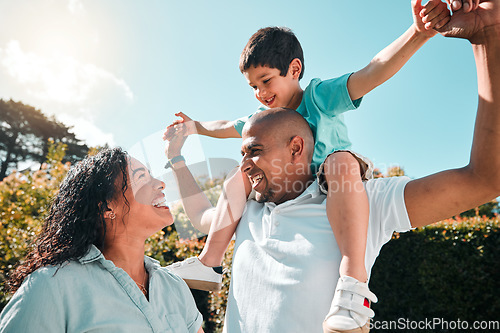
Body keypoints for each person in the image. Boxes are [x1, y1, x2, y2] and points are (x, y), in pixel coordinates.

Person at [164, 0, 500, 331]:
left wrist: (417, 33)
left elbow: (373, 71)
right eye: (253, 87)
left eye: (266, 81)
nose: (260, 93)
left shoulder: (319, 98)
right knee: (238, 177)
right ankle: (210, 261)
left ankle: (353, 284)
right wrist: (194, 129)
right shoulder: (259, 129)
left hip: (339, 180)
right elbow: (226, 126)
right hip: (294, 189)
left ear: (294, 69)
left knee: (338, 162)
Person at [0, 148, 204, 333]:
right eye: (141, 177)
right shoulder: (51, 285)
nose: (160, 183)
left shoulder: (174, 286)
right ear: (107, 207)